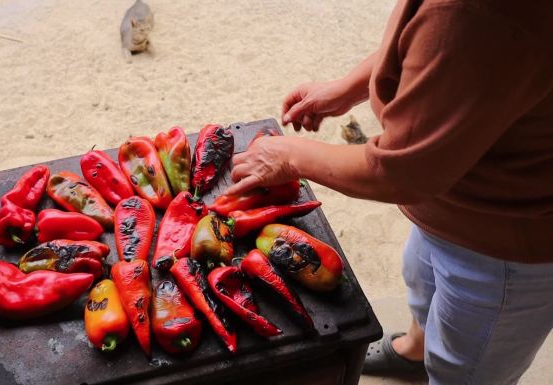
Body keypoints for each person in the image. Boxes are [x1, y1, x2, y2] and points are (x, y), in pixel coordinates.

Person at [226, 1, 553, 384]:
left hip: (508, 241)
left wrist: (289, 156)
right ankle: (415, 352)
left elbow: (401, 173)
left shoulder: (479, 13)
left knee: (470, 369)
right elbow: (430, 44)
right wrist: (347, 88)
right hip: (455, 202)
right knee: (422, 281)